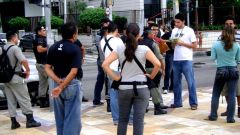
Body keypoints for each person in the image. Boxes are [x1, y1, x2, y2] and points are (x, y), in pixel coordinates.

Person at [102, 23, 161, 135]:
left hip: (124, 88)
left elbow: (105, 64)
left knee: (123, 120)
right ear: (139, 35)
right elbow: (157, 64)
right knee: (138, 121)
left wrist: (116, 77)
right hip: (142, 87)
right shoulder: (144, 49)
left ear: (126, 34)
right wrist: (151, 76)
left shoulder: (119, 48)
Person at [45, 22, 82, 135]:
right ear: (74, 35)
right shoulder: (75, 49)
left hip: (57, 84)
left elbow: (47, 68)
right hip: (70, 84)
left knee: (60, 118)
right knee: (72, 119)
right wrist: (62, 86)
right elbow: (74, 71)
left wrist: (57, 81)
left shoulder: (53, 47)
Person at [0, 31, 41, 129]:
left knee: (11, 100)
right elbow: (23, 60)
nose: (18, 39)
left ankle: (14, 122)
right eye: (17, 37)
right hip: (16, 77)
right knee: (24, 98)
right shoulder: (15, 48)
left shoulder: (2, 48)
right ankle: (30, 120)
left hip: (6, 78)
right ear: (13, 38)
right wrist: (27, 71)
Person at [206, 26, 240, 123]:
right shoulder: (236, 45)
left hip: (221, 70)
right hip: (233, 70)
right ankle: (230, 118)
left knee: (216, 93)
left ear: (223, 33)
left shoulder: (216, 44)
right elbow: (238, 59)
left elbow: (212, 58)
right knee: (232, 94)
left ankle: (213, 115)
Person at [170, 13, 198, 110]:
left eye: (178, 22)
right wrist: (173, 44)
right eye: (175, 22)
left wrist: (183, 43)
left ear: (183, 21)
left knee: (190, 82)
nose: (176, 24)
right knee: (176, 82)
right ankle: (177, 102)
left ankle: (193, 103)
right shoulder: (174, 31)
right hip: (176, 59)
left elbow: (195, 46)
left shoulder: (189, 31)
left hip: (186, 59)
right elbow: (173, 47)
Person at [138, 27, 167, 115]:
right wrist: (163, 69)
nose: (154, 34)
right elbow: (160, 58)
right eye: (153, 33)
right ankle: (158, 107)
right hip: (152, 69)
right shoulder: (153, 44)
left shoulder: (139, 43)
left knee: (144, 88)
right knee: (154, 87)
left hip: (141, 69)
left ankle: (145, 106)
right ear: (149, 34)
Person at [100, 22, 123, 125]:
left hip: (108, 69)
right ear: (116, 30)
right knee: (123, 94)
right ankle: (123, 117)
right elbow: (124, 53)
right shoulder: (118, 40)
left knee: (113, 94)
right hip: (118, 70)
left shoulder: (102, 40)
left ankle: (116, 119)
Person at [220, 16, 240, 118]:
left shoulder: (239, 35)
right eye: (227, 24)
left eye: (231, 24)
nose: (229, 25)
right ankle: (229, 109)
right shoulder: (221, 37)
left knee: (238, 90)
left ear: (234, 25)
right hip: (224, 66)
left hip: (237, 65)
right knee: (226, 89)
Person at [93, 18, 111, 106]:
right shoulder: (103, 35)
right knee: (107, 81)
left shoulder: (97, 34)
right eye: (108, 23)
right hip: (105, 60)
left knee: (100, 80)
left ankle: (97, 99)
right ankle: (108, 101)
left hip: (100, 60)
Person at [33, 25, 49, 108]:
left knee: (43, 83)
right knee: (51, 80)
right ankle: (48, 100)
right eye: (43, 30)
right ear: (39, 32)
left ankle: (42, 100)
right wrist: (48, 48)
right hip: (43, 64)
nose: (45, 31)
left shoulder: (39, 38)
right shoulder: (39, 38)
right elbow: (39, 49)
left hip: (40, 64)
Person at [162, 20, 175, 94]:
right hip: (170, 54)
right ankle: (166, 87)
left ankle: (172, 86)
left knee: (173, 71)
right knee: (168, 71)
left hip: (175, 54)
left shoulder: (179, 34)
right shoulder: (168, 34)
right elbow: (161, 40)